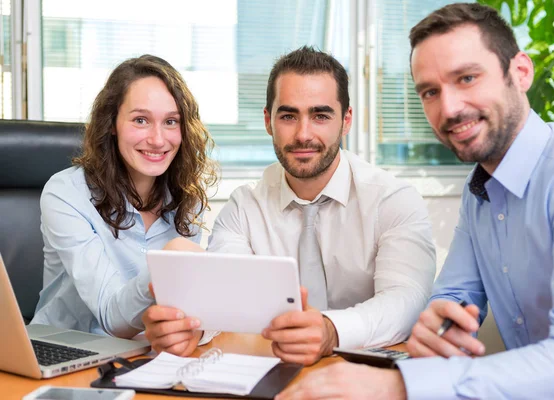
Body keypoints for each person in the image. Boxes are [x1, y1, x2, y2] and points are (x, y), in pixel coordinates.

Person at [276, 3, 554, 399]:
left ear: (520, 72)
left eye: (466, 78)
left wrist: (399, 385)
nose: (448, 108)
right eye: (430, 91)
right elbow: (452, 298)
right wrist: (438, 325)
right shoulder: (480, 189)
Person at [142, 46, 437, 365]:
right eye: (288, 116)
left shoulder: (393, 201)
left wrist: (330, 331)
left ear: (346, 120)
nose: (303, 134)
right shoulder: (244, 207)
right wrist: (191, 329)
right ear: (268, 121)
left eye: (320, 115)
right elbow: (226, 298)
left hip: (367, 376)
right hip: (275, 373)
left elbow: (405, 301)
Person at [31, 55, 219, 353]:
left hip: (147, 357)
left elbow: (187, 305)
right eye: (140, 120)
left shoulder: (187, 200)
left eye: (171, 121)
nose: (158, 139)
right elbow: (111, 317)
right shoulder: (66, 193)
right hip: (66, 355)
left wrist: (193, 328)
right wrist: (167, 263)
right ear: (112, 123)